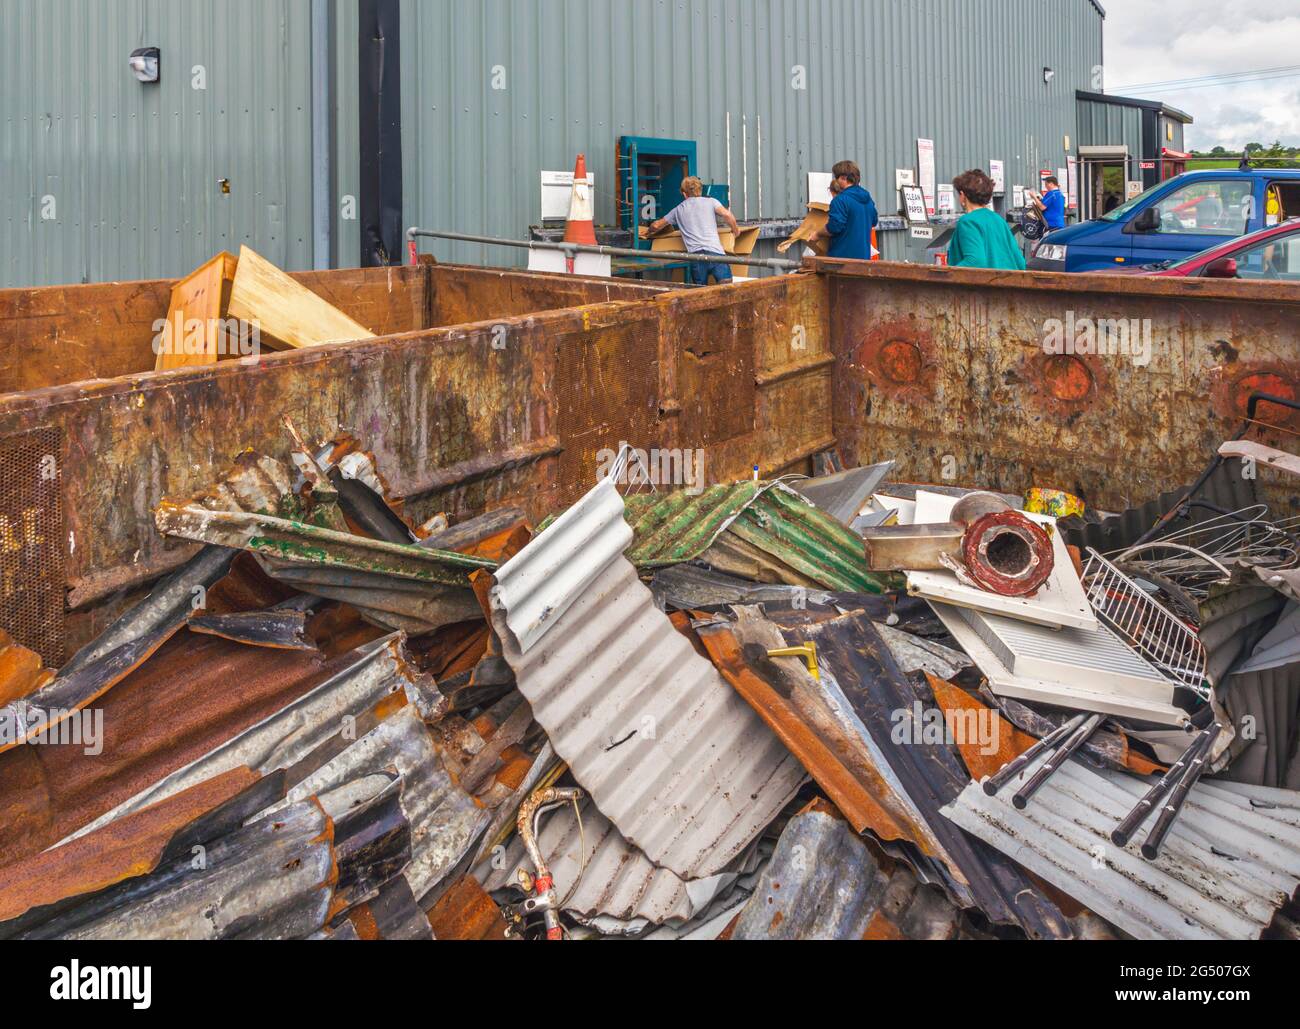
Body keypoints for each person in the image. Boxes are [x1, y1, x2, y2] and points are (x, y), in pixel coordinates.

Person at [649, 176, 740, 286]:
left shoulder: (678, 210)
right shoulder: (711, 202)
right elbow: (727, 215)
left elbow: (657, 225)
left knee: (699, 294)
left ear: (684, 194)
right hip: (717, 255)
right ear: (700, 190)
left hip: (696, 258)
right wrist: (736, 231)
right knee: (727, 289)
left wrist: (647, 230)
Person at [946, 169, 1026, 271]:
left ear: (962, 195)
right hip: (1009, 283)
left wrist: (945, 275)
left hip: (982, 285)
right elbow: (1020, 262)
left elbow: (975, 261)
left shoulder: (968, 222)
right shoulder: (999, 220)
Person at [809, 160, 878, 260]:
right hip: (864, 260)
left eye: (836, 178)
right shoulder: (868, 199)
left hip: (842, 262)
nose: (836, 181)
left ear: (843, 178)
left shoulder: (840, 200)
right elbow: (874, 221)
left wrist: (817, 234)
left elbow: (834, 227)